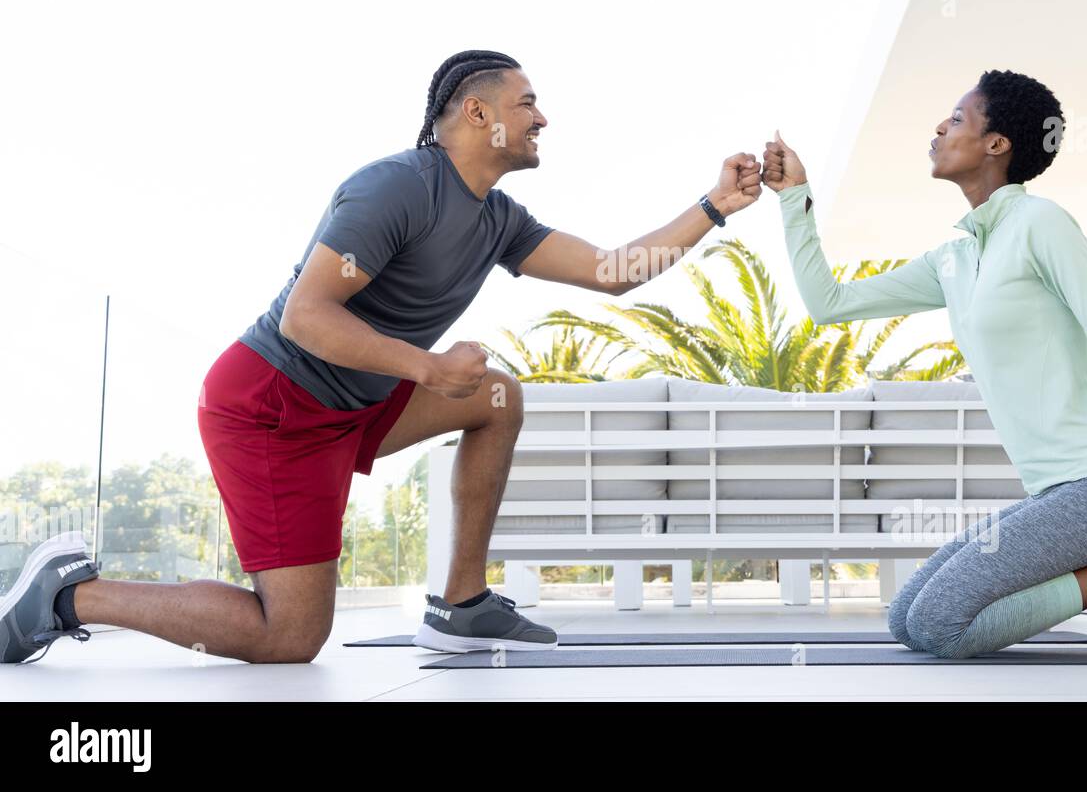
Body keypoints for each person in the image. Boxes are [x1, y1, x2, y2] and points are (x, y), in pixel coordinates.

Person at [2, 49, 763, 664]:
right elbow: (306, 315)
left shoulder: (497, 218)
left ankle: (461, 604)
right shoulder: (396, 187)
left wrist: (713, 207)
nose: (543, 118)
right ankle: (72, 594)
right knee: (289, 637)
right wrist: (430, 368)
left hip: (356, 404)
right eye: (528, 102)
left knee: (495, 396)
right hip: (272, 405)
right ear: (478, 112)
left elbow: (611, 271)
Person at [760, 69, 1087, 659]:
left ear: (996, 144)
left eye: (956, 119)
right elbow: (829, 304)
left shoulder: (1041, 224)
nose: (940, 127)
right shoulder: (955, 258)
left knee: (941, 626)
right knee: (906, 619)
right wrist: (796, 198)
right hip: (1050, 496)